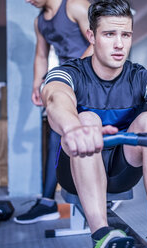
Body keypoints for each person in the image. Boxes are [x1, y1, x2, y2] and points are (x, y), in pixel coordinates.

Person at [40, 0, 147, 247]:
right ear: (91, 36)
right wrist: (73, 128)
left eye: (125, 34)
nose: (119, 44)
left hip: (121, 171)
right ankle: (101, 235)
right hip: (74, 169)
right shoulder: (70, 72)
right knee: (87, 119)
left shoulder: (140, 76)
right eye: (109, 34)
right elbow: (54, 98)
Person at [14, 0, 93, 224]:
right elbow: (41, 55)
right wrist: (36, 85)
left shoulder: (75, 5)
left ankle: (103, 192)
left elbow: (98, 41)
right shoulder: (39, 21)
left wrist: (75, 74)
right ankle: (48, 202)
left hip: (89, 78)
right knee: (55, 135)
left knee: (90, 130)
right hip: (66, 82)